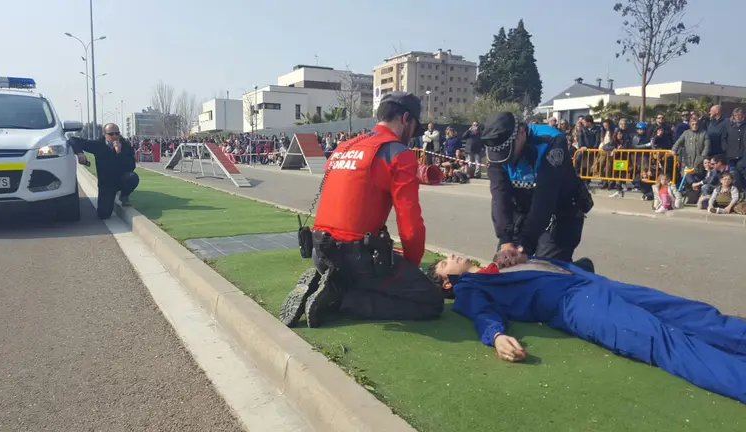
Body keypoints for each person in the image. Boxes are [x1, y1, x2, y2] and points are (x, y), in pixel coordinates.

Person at [426, 253, 746, 404]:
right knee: (662, 341)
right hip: (575, 304)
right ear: (446, 282)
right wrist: (496, 337)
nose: (450, 257)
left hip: (591, 282)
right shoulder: (469, 287)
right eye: (444, 263)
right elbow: (481, 313)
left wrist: (521, 255)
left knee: (692, 313)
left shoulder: (495, 265)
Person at [278, 92, 444, 329]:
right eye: (414, 127)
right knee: (430, 301)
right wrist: (412, 266)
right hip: (358, 260)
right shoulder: (398, 154)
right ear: (406, 118)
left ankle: (328, 283)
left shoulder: (342, 148)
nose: (412, 137)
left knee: (372, 274)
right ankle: (339, 299)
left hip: (319, 252)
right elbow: (410, 222)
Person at [482, 112, 592, 265]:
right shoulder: (496, 150)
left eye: (508, 154)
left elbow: (545, 198)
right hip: (523, 209)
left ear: (521, 132)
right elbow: (500, 196)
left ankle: (582, 269)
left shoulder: (551, 140)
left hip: (560, 210)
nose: (506, 161)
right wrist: (506, 240)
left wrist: (523, 247)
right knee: (504, 266)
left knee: (544, 269)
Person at [68, 123, 139, 219]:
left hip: (121, 179)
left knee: (132, 177)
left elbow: (131, 166)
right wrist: (80, 153)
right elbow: (73, 140)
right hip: (106, 184)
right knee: (104, 215)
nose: (115, 136)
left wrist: (119, 152)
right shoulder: (99, 145)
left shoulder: (125, 145)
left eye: (117, 134)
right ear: (105, 134)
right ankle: (109, 199)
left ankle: (124, 196)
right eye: (111, 134)